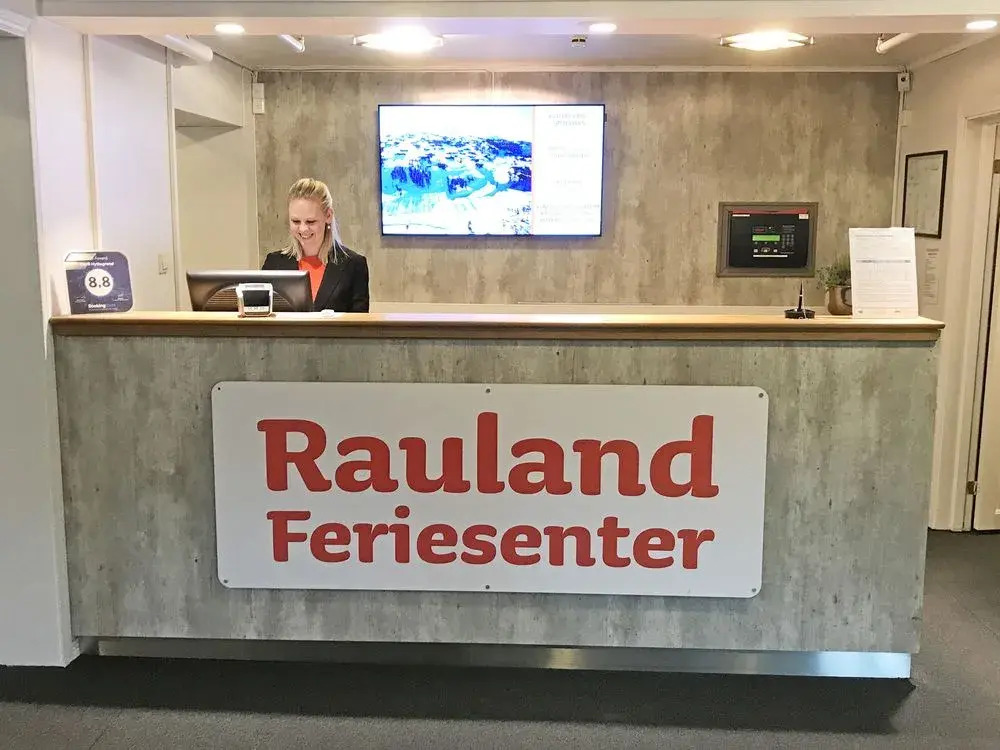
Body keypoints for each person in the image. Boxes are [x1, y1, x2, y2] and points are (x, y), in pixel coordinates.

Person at [262, 178, 370, 312]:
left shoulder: (354, 265)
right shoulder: (274, 263)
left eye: (311, 221)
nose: (303, 229)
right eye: (295, 221)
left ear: (328, 216)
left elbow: (359, 322)